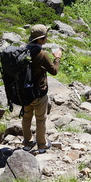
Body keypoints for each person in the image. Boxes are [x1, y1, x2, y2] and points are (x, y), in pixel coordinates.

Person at [22, 24, 62, 155]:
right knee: (40, 119)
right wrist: (57, 57)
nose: (46, 38)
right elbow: (54, 71)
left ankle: (27, 143)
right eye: (45, 36)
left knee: (26, 117)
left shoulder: (23, 50)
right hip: (39, 92)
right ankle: (42, 145)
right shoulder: (42, 54)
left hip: (25, 92)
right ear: (40, 39)